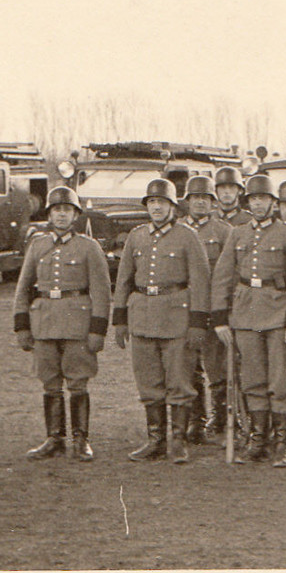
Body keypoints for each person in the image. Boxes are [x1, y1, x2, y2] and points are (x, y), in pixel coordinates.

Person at [210, 174, 286, 467]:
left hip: (278, 314)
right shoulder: (237, 234)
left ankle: (282, 442)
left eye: (263, 199)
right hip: (244, 313)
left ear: (273, 203)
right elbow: (223, 276)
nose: (258, 204)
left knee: (280, 379)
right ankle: (258, 438)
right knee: (252, 378)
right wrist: (220, 318)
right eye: (253, 199)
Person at [113, 179, 210, 464]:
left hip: (176, 318)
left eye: (162, 202)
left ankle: (178, 441)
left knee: (179, 381)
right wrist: (120, 319)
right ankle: (155, 439)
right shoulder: (136, 236)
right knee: (148, 380)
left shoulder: (187, 236)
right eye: (152, 202)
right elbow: (123, 279)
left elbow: (201, 283)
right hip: (142, 316)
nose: (156, 207)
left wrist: (197, 323)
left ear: (172, 206)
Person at [13, 187, 110, 461]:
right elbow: (22, 288)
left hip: (77, 323)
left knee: (78, 381)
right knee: (50, 382)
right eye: (57, 210)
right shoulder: (37, 245)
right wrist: (21, 325)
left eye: (67, 210)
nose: (62, 215)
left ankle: (81, 440)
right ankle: (54, 438)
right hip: (43, 322)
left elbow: (102, 293)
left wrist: (97, 330)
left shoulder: (89, 247)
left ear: (76, 215)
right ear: (49, 214)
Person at [181, 175, 233, 444]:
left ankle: (221, 419)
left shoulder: (224, 232)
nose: (200, 202)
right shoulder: (177, 230)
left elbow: (228, 274)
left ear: (213, 202)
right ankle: (195, 421)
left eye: (205, 198)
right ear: (187, 201)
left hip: (213, 308)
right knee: (189, 367)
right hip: (184, 309)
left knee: (216, 366)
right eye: (195, 197)